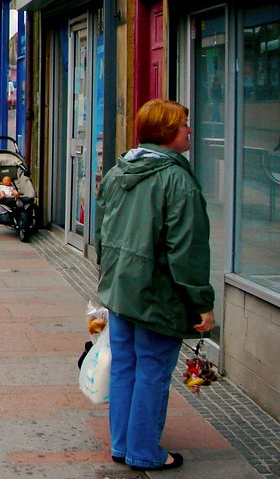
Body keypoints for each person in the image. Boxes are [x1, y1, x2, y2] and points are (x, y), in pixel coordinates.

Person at [96, 98, 215, 472]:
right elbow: (186, 249)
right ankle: (144, 451)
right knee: (151, 370)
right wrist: (201, 302)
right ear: (167, 133)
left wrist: (109, 279)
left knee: (126, 366)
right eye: (183, 125)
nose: (189, 130)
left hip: (120, 289)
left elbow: (103, 233)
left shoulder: (120, 171)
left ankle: (123, 444)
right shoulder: (177, 180)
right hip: (155, 293)